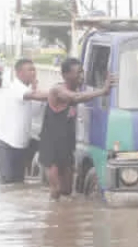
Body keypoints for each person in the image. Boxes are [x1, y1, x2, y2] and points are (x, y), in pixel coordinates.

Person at [38, 57, 115, 200]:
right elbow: (77, 97)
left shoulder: (79, 88)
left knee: (67, 190)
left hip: (66, 145)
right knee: (56, 189)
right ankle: (53, 219)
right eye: (77, 73)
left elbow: (82, 95)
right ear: (65, 75)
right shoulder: (58, 90)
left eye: (82, 72)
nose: (81, 76)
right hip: (50, 146)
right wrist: (103, 91)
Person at [0, 59, 49, 184]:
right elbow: (34, 96)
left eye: (34, 69)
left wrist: (36, 89)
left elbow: (34, 112)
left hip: (21, 143)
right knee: (7, 181)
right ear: (18, 73)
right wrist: (58, 93)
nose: (34, 73)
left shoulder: (29, 90)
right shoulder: (16, 87)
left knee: (18, 182)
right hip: (5, 142)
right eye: (30, 70)